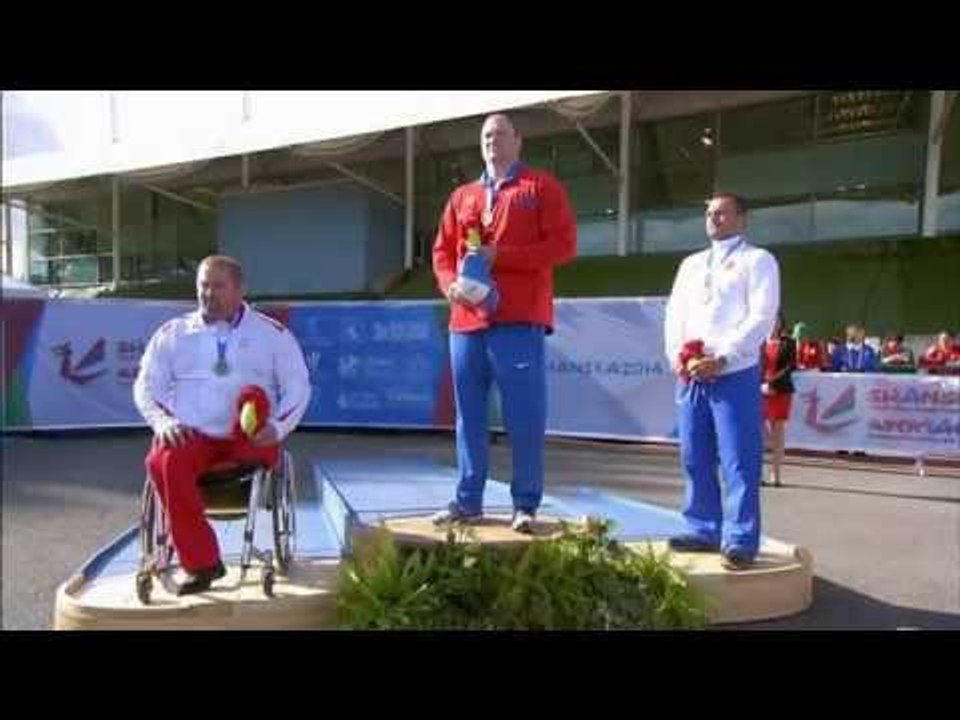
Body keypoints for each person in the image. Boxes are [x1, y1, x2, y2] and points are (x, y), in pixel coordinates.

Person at [431, 113, 577, 534]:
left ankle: (526, 504)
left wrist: (503, 256)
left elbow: (564, 246)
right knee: (468, 416)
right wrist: (449, 287)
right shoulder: (463, 196)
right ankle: (468, 501)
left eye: (500, 133)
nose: (492, 140)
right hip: (466, 321)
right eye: (486, 135)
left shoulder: (541, 187)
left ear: (518, 140)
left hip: (519, 318)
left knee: (524, 416)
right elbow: (442, 252)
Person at [133, 255, 311, 595]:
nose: (208, 293)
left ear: (240, 290)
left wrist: (276, 427)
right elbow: (146, 386)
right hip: (192, 436)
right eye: (203, 285)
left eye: (218, 286)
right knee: (162, 457)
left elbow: (298, 386)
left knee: (257, 429)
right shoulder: (173, 333)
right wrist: (163, 421)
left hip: (246, 438)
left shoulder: (272, 334)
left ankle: (197, 551)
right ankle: (203, 563)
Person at [663, 192, 780, 571]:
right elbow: (673, 316)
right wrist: (679, 359)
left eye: (723, 212)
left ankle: (741, 539)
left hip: (733, 372)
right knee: (694, 456)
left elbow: (762, 316)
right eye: (709, 212)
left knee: (738, 459)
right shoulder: (690, 265)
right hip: (692, 372)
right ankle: (702, 528)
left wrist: (724, 356)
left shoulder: (757, 261)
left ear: (742, 219)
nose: (714, 218)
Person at [760, 313, 796, 487]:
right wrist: (761, 384)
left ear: (781, 323)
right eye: (770, 320)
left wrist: (772, 383)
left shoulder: (789, 343)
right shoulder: (759, 341)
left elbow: (790, 366)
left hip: (780, 390)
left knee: (778, 432)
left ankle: (775, 473)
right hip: (758, 391)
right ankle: (757, 471)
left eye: (777, 320)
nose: (773, 324)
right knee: (758, 433)